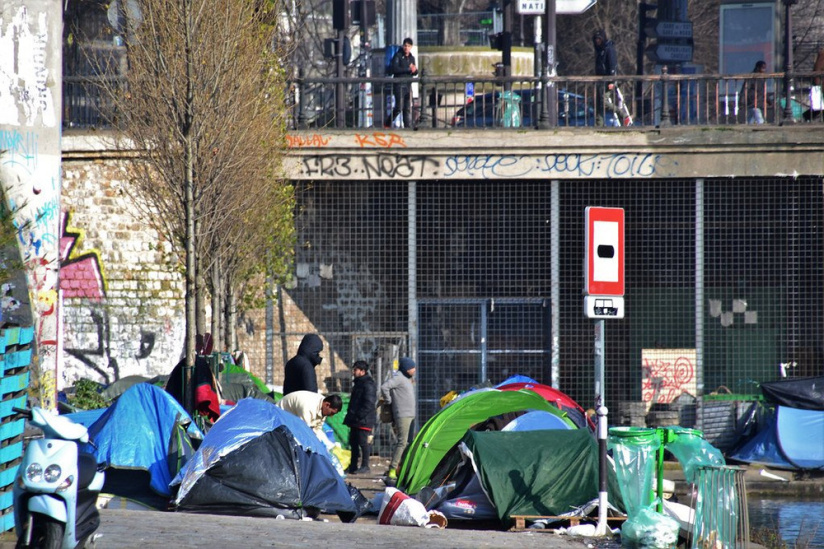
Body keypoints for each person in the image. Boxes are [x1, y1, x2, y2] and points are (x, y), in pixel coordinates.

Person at [379, 357, 416, 480]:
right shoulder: (399, 377)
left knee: (408, 443)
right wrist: (389, 401)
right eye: (412, 368)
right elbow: (384, 387)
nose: (414, 370)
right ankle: (393, 469)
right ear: (406, 368)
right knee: (402, 442)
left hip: (410, 414)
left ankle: (402, 468)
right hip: (403, 414)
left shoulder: (407, 378)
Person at [343, 360, 377, 474]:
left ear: (362, 371)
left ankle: (365, 465)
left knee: (363, 443)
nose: (353, 372)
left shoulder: (368, 384)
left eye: (355, 369)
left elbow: (369, 403)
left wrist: (358, 416)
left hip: (363, 420)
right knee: (353, 443)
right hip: (356, 420)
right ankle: (353, 466)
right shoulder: (359, 383)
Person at [277, 390, 342, 445]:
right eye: (332, 413)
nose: (331, 416)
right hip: (279, 418)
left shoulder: (323, 404)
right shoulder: (308, 407)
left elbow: (317, 429)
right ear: (327, 405)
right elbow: (304, 431)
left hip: (293, 420)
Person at [389, 37, 418, 129]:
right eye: (405, 46)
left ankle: (407, 126)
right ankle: (387, 123)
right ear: (403, 46)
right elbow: (395, 69)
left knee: (407, 108)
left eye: (408, 46)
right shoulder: (398, 56)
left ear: (411, 47)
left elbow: (415, 72)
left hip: (408, 85)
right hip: (399, 84)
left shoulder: (412, 58)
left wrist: (414, 70)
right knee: (398, 107)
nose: (406, 48)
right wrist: (408, 69)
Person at [592, 29, 619, 126]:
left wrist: (612, 80)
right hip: (600, 79)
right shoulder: (599, 50)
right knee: (599, 102)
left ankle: (620, 113)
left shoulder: (609, 49)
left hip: (608, 80)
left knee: (603, 101)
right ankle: (599, 123)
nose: (597, 41)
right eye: (596, 39)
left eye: (599, 39)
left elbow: (612, 65)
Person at [742, 60, 769, 124]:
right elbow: (745, 89)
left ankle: (749, 126)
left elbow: (763, 91)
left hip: (756, 101)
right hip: (753, 100)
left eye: (765, 68)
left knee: (751, 117)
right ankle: (761, 127)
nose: (764, 70)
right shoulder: (752, 77)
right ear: (758, 68)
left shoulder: (762, 78)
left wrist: (768, 101)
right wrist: (742, 101)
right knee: (759, 117)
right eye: (762, 68)